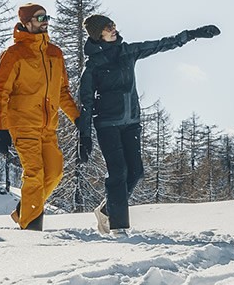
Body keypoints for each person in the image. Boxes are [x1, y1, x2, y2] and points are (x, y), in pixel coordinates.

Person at [77, 15, 220, 232]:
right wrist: (84, 136)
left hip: (131, 122)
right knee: (118, 173)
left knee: (136, 171)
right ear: (98, 34)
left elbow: (162, 44)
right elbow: (86, 102)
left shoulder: (128, 52)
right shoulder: (93, 66)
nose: (114, 28)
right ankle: (119, 228)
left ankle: (107, 210)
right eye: (108, 27)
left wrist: (191, 34)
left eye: (114, 24)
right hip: (107, 124)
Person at [0, 3, 81, 231]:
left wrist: (77, 118)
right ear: (26, 23)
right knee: (34, 174)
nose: (45, 21)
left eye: (46, 17)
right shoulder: (14, 55)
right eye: (40, 17)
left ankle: (24, 211)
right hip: (23, 124)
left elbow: (62, 92)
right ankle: (30, 229)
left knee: (55, 172)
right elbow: (1, 93)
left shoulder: (55, 53)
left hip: (48, 126)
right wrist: (0, 129)